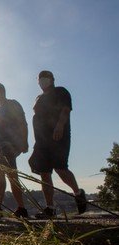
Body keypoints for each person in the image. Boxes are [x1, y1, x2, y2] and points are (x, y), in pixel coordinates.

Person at [29, 70, 87, 218]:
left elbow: (66, 110)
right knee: (44, 173)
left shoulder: (61, 92)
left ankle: (78, 193)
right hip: (41, 141)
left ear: (52, 79)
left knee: (60, 168)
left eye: (45, 77)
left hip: (57, 136)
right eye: (40, 78)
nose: (42, 81)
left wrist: (60, 125)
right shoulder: (38, 98)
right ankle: (50, 208)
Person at [0, 83, 29, 218]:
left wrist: (24, 141)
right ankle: (22, 208)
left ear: (1, 92)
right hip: (1, 147)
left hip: (11, 144)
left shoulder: (12, 104)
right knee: (12, 175)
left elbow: (22, 122)